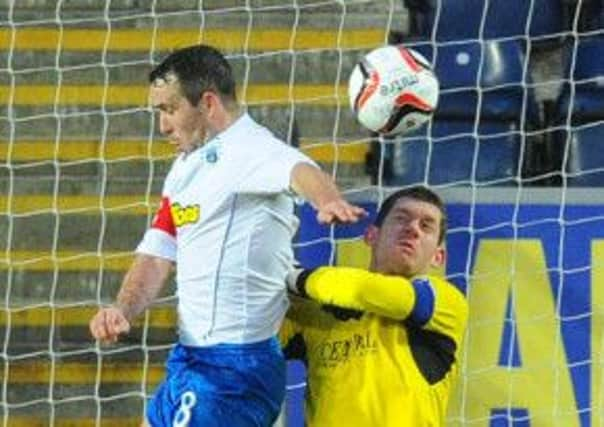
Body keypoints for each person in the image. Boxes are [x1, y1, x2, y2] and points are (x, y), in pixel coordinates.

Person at [89, 44, 365, 427]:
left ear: (207, 103)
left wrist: (327, 199)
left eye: (169, 110)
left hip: (235, 370)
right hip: (190, 360)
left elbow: (300, 169)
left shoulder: (253, 148)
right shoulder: (185, 168)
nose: (162, 126)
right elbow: (157, 252)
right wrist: (122, 309)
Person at [281, 186, 468, 427]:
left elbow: (361, 291)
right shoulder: (317, 311)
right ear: (371, 236)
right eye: (402, 218)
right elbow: (259, 339)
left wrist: (292, 276)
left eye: (426, 226)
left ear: (438, 257)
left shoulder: (445, 304)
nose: (413, 229)